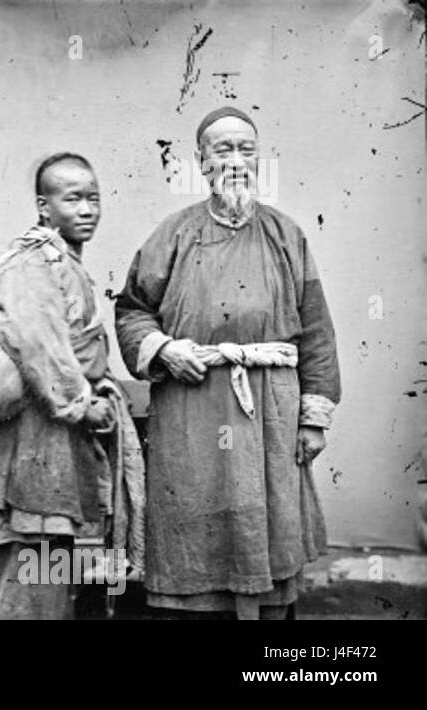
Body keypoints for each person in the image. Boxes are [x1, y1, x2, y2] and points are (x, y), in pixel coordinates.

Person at [114, 106, 341, 619]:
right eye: (223, 149)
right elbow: (132, 311)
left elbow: (318, 331)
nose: (236, 160)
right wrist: (165, 350)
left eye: (245, 148)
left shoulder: (287, 236)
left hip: (271, 413)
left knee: (268, 532)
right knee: (194, 529)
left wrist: (313, 419)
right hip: (194, 406)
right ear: (201, 161)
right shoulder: (172, 234)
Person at [0, 153, 117, 619]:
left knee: (51, 570)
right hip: (30, 445)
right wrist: (82, 404)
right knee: (28, 564)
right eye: (73, 198)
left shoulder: (63, 261)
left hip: (54, 448)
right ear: (44, 207)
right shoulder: (32, 263)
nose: (87, 209)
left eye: (93, 198)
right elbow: (39, 345)